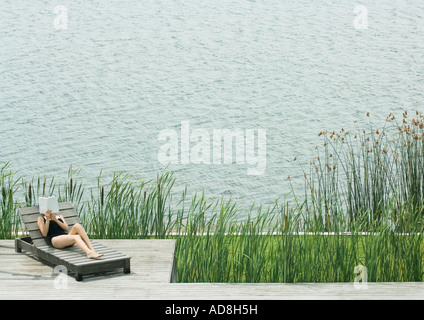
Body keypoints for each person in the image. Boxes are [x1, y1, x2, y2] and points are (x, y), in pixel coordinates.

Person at [37, 209, 103, 259]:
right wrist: (48, 218)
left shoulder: (59, 216)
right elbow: (44, 233)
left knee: (77, 225)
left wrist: (56, 220)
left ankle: (92, 250)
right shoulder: (41, 219)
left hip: (66, 237)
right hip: (56, 240)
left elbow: (66, 229)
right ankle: (88, 253)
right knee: (76, 237)